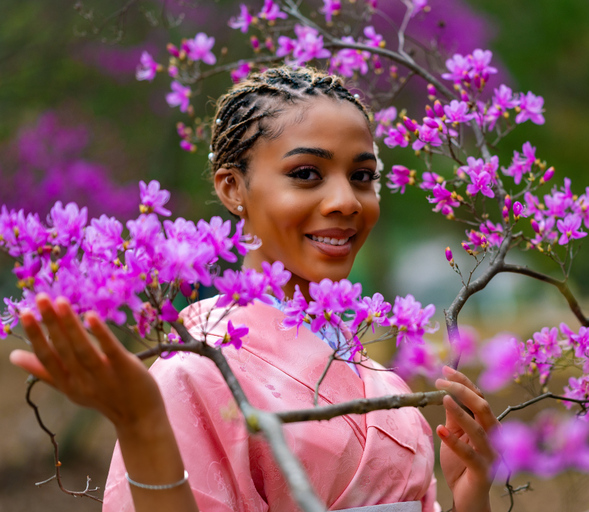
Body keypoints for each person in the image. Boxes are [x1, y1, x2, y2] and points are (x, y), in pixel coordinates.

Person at [9, 67, 499, 512]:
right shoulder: (195, 372)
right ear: (231, 188)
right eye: (306, 173)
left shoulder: (385, 384)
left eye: (362, 176)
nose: (347, 201)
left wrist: (471, 490)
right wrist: (142, 430)